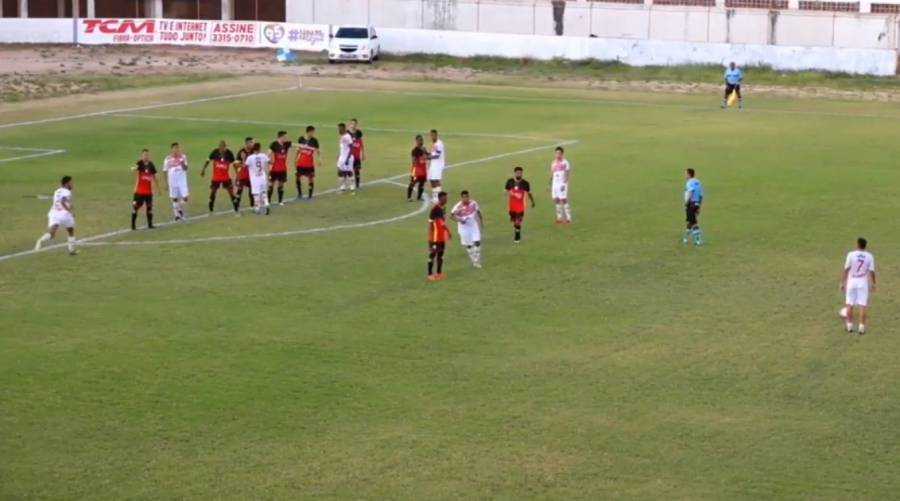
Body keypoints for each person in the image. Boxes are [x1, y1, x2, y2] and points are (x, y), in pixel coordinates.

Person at [840, 238, 876, 334]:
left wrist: (842, 282)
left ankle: (849, 326)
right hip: (862, 281)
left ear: (857, 245)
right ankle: (862, 327)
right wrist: (873, 283)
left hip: (852, 280)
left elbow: (846, 269)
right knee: (862, 305)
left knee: (849, 304)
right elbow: (872, 271)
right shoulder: (869, 256)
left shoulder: (851, 255)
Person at [35, 175, 77, 255]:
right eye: (71, 182)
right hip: (64, 215)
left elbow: (61, 200)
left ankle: (41, 240)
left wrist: (69, 204)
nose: (72, 184)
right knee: (70, 230)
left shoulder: (57, 191)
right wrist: (70, 210)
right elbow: (63, 201)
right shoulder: (67, 192)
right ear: (66, 183)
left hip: (54, 214)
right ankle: (71, 250)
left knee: (52, 233)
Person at [200, 140, 239, 214]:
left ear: (225, 147)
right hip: (216, 177)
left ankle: (236, 211)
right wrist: (203, 169)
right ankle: (211, 211)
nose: (222, 149)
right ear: (219, 147)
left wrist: (237, 173)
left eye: (223, 147)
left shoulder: (229, 154)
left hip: (226, 177)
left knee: (231, 193)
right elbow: (208, 160)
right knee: (212, 193)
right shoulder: (215, 152)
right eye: (220, 147)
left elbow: (234, 164)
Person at [450, 190, 483, 268]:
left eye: (467, 197)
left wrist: (481, 222)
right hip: (464, 228)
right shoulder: (457, 206)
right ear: (461, 198)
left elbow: (478, 212)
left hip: (473, 225)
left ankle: (477, 261)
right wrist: (459, 220)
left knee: (477, 242)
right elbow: (451, 216)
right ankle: (474, 260)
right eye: (464, 197)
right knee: (469, 245)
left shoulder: (473, 203)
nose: (466, 199)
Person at [131, 149, 160, 230]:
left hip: (148, 191)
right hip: (139, 191)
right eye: (144, 155)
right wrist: (133, 168)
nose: (146, 156)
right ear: (142, 156)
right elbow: (133, 168)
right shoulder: (139, 163)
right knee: (135, 207)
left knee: (149, 207)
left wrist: (158, 188)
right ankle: (133, 225)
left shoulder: (151, 165)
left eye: (147, 155)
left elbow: (155, 176)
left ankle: (150, 224)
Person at [505, 167, 534, 244]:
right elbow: (505, 191)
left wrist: (532, 201)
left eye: (520, 173)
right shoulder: (510, 181)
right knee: (514, 221)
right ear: (514, 173)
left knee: (518, 221)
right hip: (512, 206)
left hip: (520, 206)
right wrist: (511, 193)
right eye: (517, 173)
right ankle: (517, 230)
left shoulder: (525, 183)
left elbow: (529, 193)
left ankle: (517, 236)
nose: (519, 174)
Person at [427, 191, 452, 280]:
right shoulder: (434, 209)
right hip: (434, 237)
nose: (446, 199)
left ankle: (439, 272)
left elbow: (443, 221)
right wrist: (432, 236)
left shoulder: (443, 208)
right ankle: (429, 274)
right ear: (440, 198)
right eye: (445, 198)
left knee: (441, 254)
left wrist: (448, 231)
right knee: (432, 254)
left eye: (447, 198)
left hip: (441, 236)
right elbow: (430, 222)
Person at [163, 142, 189, 221]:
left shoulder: (183, 157)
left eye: (178, 147)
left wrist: (182, 163)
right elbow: (165, 171)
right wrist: (166, 183)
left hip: (182, 181)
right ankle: (177, 215)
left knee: (185, 197)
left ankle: (179, 208)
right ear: (172, 149)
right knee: (175, 199)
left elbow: (185, 168)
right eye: (175, 148)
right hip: (172, 182)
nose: (177, 149)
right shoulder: (168, 159)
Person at [245, 142, 272, 215]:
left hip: (255, 178)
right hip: (262, 176)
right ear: (259, 148)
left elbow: (245, 166)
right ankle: (266, 205)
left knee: (256, 194)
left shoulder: (250, 157)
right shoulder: (263, 156)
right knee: (263, 192)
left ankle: (257, 209)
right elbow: (270, 162)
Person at [295, 126, 320, 199]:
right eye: (312, 132)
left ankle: (310, 195)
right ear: (308, 132)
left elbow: (317, 150)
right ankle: (299, 193)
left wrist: (319, 159)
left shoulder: (314, 141)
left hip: (309, 163)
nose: (313, 133)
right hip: (301, 162)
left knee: (311, 178)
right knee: (297, 177)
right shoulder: (301, 139)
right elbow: (298, 149)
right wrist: (295, 158)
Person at [268, 131, 292, 205]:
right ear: (281, 137)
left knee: (281, 185)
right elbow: (268, 153)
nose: (286, 138)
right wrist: (268, 160)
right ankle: (268, 201)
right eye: (285, 137)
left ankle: (280, 201)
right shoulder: (274, 144)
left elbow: (296, 145)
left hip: (283, 169)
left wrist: (309, 147)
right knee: (271, 185)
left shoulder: (286, 144)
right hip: (274, 169)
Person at [549, 146, 571, 224]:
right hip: (555, 183)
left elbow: (567, 172)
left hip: (562, 183)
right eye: (556, 153)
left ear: (562, 154)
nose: (558, 155)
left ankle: (568, 218)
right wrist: (550, 183)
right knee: (556, 199)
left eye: (559, 153)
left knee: (563, 199)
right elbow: (552, 173)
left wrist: (565, 182)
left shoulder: (565, 162)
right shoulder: (553, 163)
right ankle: (559, 218)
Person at [682, 168, 703, 247]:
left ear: (689, 174)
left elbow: (691, 192)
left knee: (694, 223)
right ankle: (685, 239)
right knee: (689, 222)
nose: (685, 175)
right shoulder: (698, 182)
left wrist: (686, 203)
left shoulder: (689, 182)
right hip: (697, 204)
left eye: (686, 173)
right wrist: (699, 206)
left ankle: (698, 242)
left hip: (691, 204)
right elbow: (701, 195)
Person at [234, 137, 255, 208]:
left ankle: (252, 206)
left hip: (251, 175)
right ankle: (236, 209)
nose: (253, 144)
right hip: (242, 175)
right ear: (247, 143)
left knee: (252, 190)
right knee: (239, 191)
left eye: (253, 142)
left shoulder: (254, 151)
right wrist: (238, 172)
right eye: (251, 142)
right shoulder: (241, 152)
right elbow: (236, 164)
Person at [407, 135, 428, 202]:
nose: (421, 142)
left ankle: (419, 196)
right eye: (419, 140)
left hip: (423, 169)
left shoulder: (424, 149)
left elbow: (427, 156)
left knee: (422, 183)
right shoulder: (415, 151)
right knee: (413, 183)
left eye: (422, 140)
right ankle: (409, 197)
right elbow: (413, 161)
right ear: (417, 141)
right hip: (416, 170)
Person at [427, 129, 446, 203]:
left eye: (434, 135)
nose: (432, 137)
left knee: (436, 180)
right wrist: (429, 155)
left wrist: (428, 157)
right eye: (431, 135)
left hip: (438, 164)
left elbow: (437, 156)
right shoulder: (435, 144)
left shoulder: (439, 144)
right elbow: (434, 154)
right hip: (434, 163)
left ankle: (438, 197)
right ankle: (435, 196)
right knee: (431, 179)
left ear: (436, 135)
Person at [336, 123, 355, 194]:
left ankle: (352, 187)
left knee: (349, 173)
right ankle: (342, 187)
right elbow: (342, 148)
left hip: (348, 158)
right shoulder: (341, 136)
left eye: (339, 128)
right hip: (342, 157)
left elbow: (351, 148)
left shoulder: (348, 137)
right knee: (339, 171)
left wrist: (347, 158)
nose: (338, 130)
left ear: (343, 128)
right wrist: (339, 155)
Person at [349, 118, 365, 189]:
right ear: (350, 125)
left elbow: (361, 143)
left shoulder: (359, 133)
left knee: (357, 170)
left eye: (354, 124)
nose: (353, 125)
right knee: (350, 170)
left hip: (357, 155)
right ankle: (351, 183)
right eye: (352, 124)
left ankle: (357, 184)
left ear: (357, 125)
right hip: (349, 156)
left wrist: (363, 153)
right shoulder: (347, 133)